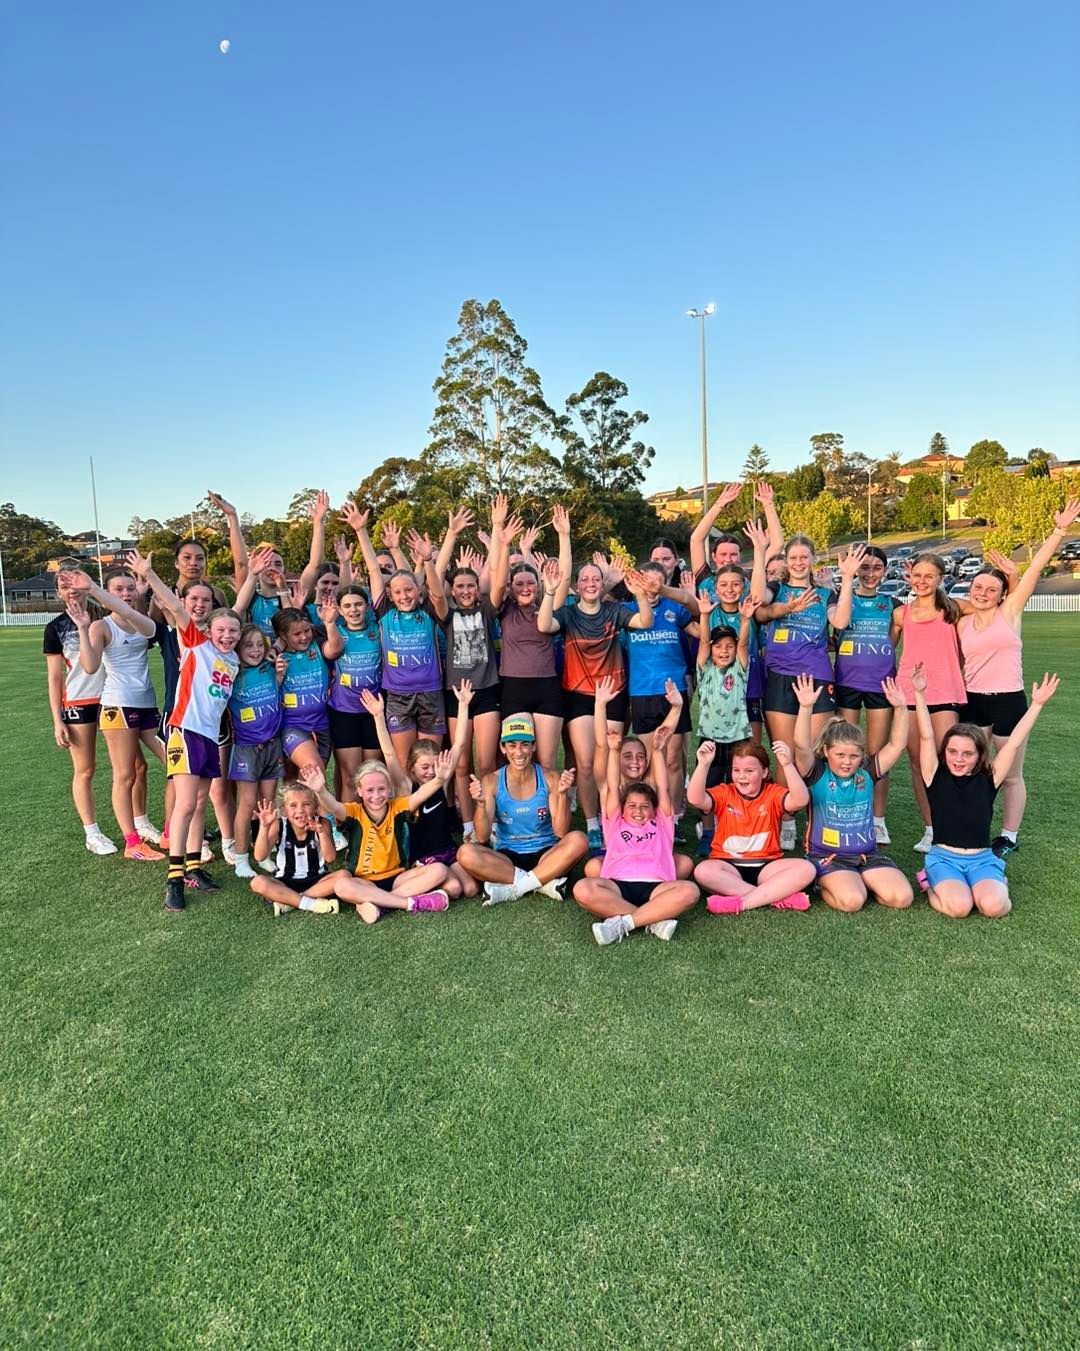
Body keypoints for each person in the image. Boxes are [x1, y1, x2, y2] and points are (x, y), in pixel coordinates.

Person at [957, 499, 1079, 856]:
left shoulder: (1009, 613)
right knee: (974, 772)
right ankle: (970, 828)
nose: (982, 593)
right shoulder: (961, 620)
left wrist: (1059, 531)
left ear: (1001, 595)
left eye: (990, 590)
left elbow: (1035, 569)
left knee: (1010, 773)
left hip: (1008, 701)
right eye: (978, 588)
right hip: (972, 701)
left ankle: (1009, 835)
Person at [129, 548, 242, 911]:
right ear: (209, 629)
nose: (227, 635)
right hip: (185, 729)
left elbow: (237, 615)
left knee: (197, 805)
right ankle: (174, 879)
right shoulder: (196, 642)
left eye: (233, 631)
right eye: (221, 629)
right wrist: (152, 577)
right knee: (183, 805)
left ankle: (194, 866)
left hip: (209, 735)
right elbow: (177, 611)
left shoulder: (234, 659)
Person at [914, 666, 1060, 919]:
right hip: (944, 859)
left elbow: (1013, 743)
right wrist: (919, 694)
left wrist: (1037, 705)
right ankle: (929, 883)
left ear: (980, 755)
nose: (959, 759)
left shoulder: (989, 778)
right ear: (945, 752)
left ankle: (989, 885)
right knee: (959, 908)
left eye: (967, 754)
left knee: (994, 907)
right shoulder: (934, 776)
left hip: (981, 860)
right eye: (952, 752)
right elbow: (927, 736)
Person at [538, 552, 654, 854]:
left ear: (603, 584)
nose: (590, 583)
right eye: (585, 579)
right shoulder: (568, 613)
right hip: (578, 696)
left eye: (595, 579)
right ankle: (592, 825)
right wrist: (549, 591)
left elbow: (644, 621)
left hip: (612, 693)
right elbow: (544, 625)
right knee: (587, 764)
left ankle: (610, 818)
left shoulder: (614, 610)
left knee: (608, 761)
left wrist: (640, 595)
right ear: (577, 585)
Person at [63, 567, 167, 862]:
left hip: (147, 704)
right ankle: (132, 842)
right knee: (125, 775)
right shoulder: (102, 626)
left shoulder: (141, 621)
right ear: (108, 592)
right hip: (118, 706)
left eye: (129, 589)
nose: (126, 594)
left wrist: (145, 595)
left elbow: (151, 631)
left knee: (174, 762)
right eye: (118, 589)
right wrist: (84, 628)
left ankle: (163, 829)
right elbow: (91, 666)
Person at [792, 674, 913, 914]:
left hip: (867, 854)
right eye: (840, 755)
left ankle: (861, 878)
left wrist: (900, 707)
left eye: (854, 756)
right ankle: (822, 882)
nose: (847, 762)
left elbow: (897, 744)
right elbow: (801, 746)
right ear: (826, 751)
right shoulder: (816, 772)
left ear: (861, 756)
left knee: (902, 898)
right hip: (828, 855)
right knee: (852, 901)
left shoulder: (867, 772)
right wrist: (805, 708)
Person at [424, 505, 503, 836]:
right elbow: (434, 591)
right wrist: (430, 559)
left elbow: (498, 580)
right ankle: (468, 824)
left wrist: (498, 533)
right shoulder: (447, 614)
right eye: (461, 587)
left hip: (486, 691)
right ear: (454, 589)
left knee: (486, 764)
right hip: (456, 694)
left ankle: (490, 820)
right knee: (460, 763)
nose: (467, 591)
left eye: (472, 585)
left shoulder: (487, 610)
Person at [572, 737, 699, 944]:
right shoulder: (615, 821)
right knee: (582, 889)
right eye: (631, 805)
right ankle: (653, 920)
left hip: (656, 886)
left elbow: (663, 787)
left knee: (690, 891)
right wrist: (613, 751)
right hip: (617, 885)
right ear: (622, 808)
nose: (638, 811)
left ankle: (625, 923)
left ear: (654, 809)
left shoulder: (662, 821)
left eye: (644, 806)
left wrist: (657, 751)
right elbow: (613, 787)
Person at [457, 714, 589, 905]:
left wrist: (561, 795)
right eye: (512, 745)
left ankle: (516, 888)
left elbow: (560, 831)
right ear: (503, 748)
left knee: (579, 839)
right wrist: (480, 804)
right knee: (465, 854)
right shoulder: (491, 781)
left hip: (546, 854)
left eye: (524, 744)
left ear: (533, 746)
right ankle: (544, 883)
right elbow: (483, 836)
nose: (519, 752)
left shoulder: (550, 777)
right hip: (507, 857)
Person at [304, 760, 454, 923]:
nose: (376, 796)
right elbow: (333, 806)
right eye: (369, 790)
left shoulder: (397, 807)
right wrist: (320, 790)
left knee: (439, 870)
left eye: (381, 789)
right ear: (359, 791)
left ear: (389, 789)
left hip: (398, 878)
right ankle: (411, 903)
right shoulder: (354, 811)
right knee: (341, 886)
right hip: (364, 882)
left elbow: (418, 796)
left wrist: (439, 779)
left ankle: (379, 905)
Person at [489, 501, 573, 775]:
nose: (526, 588)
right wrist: (502, 540)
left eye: (531, 583)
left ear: (538, 586)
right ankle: (514, 813)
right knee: (514, 762)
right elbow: (498, 581)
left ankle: (546, 814)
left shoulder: (547, 606)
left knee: (547, 762)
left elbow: (565, 576)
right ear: (512, 590)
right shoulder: (505, 609)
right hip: (513, 690)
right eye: (519, 584)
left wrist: (563, 535)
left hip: (547, 689)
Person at [688, 740, 816, 914]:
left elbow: (800, 800)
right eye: (736, 770)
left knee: (806, 869)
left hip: (767, 866)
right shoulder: (726, 792)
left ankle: (741, 903)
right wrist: (703, 765)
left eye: (749, 771)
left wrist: (787, 764)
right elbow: (695, 799)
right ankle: (775, 898)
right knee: (703, 871)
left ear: (764, 772)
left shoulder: (772, 793)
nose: (742, 776)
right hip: (728, 866)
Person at [894, 552, 967, 852]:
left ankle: (950, 825)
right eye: (917, 575)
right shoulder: (901, 614)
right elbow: (883, 650)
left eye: (929, 576)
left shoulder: (955, 609)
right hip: (910, 694)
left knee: (947, 761)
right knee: (917, 762)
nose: (922, 582)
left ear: (940, 578)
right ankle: (930, 828)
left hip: (946, 693)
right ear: (909, 577)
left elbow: (1002, 607)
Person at [832, 545, 902, 844]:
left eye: (876, 568)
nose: (870, 573)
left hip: (881, 686)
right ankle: (844, 810)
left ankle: (877, 819)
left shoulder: (892, 604)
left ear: (885, 571)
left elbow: (893, 641)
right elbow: (837, 628)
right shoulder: (841, 598)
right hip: (847, 683)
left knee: (877, 756)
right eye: (864, 567)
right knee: (845, 751)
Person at [44, 566, 113, 854]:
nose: (71, 588)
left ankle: (139, 824)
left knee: (134, 766)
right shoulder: (56, 627)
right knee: (85, 770)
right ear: (58, 592)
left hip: (114, 698)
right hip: (79, 703)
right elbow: (55, 677)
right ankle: (92, 833)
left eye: (75, 581)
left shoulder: (107, 616)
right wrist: (57, 719)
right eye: (63, 584)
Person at [227, 624, 285, 879]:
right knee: (247, 804)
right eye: (248, 645)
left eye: (259, 645)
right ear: (237, 648)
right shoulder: (232, 673)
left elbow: (283, 640)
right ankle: (241, 858)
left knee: (268, 803)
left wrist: (276, 660)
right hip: (246, 747)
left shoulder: (270, 669)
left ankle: (265, 854)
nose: (255, 650)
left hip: (273, 744)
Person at [271, 603, 344, 778]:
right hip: (293, 726)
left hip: (321, 724)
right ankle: (325, 807)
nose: (304, 637)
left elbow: (335, 650)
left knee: (303, 782)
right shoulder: (276, 658)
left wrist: (329, 623)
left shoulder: (316, 646)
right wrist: (277, 675)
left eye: (307, 631)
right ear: (283, 635)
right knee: (315, 771)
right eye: (297, 634)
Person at [326, 583, 384, 798]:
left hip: (373, 712)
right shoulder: (336, 632)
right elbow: (332, 653)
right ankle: (348, 827)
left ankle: (373, 823)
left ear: (367, 606)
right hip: (344, 712)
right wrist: (330, 624)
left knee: (372, 773)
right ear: (340, 610)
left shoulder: (377, 630)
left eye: (358, 604)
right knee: (350, 775)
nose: (354, 610)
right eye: (348, 606)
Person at [249, 784, 340, 915]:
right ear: (284, 810)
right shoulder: (280, 825)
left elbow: (330, 858)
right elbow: (259, 856)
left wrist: (321, 833)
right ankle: (311, 904)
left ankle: (291, 901)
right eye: (293, 805)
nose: (300, 810)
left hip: (317, 881)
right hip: (285, 881)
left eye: (306, 804)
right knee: (257, 883)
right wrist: (264, 827)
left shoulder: (323, 823)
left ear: (316, 807)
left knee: (344, 875)